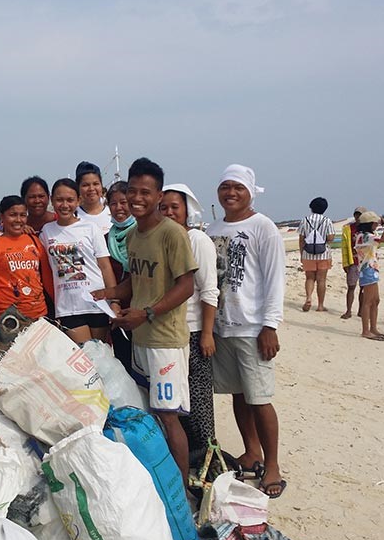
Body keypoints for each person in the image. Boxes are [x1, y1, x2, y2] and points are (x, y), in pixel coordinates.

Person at [94, 158, 197, 484]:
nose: (137, 198)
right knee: (148, 411)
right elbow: (137, 283)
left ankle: (179, 489)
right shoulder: (135, 236)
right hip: (140, 336)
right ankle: (160, 477)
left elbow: (186, 285)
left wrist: (147, 313)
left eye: (145, 192)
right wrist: (109, 293)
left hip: (165, 340)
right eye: (132, 191)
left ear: (158, 195)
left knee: (169, 417)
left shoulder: (172, 234)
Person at [206, 164, 286, 499]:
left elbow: (275, 278)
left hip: (253, 326)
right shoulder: (214, 227)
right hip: (224, 325)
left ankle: (273, 465)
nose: (230, 193)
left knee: (260, 398)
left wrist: (270, 325)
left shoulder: (263, 227)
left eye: (237, 187)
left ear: (250, 191)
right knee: (240, 394)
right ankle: (251, 452)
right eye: (225, 187)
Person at [160, 183, 219, 465]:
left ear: (186, 210)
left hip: (195, 332)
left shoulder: (197, 240)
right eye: (164, 207)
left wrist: (207, 333)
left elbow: (209, 290)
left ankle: (208, 463)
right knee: (177, 405)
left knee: (199, 405)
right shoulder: (161, 241)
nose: (170, 212)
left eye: (175, 207)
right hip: (168, 335)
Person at [40, 178, 119, 344]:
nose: (65, 205)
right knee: (85, 356)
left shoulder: (90, 228)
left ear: (78, 201)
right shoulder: (47, 232)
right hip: (68, 308)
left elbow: (104, 267)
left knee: (100, 357)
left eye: (70, 200)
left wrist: (114, 301)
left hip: (97, 303)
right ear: (52, 200)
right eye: (59, 200)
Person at [0, 196, 53, 330]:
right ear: (2, 217)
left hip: (40, 316)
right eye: (13, 215)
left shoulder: (34, 241)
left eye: (23, 215)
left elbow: (47, 279)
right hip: (9, 320)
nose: (18, 220)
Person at [105, 181, 136, 374]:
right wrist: (113, 303)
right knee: (124, 367)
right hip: (116, 313)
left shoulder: (143, 233)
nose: (119, 208)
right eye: (113, 204)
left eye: (123, 202)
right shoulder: (106, 238)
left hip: (142, 311)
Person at [355, 211, 384, 341]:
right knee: (368, 302)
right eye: (375, 223)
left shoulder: (363, 235)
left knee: (375, 301)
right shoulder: (365, 236)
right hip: (367, 270)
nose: (376, 225)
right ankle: (365, 330)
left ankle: (373, 328)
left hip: (371, 269)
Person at [297, 197, 335, 312]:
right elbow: (330, 237)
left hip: (308, 254)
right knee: (321, 280)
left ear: (311, 207)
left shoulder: (305, 220)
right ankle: (320, 305)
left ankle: (308, 298)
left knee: (309, 278)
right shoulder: (327, 221)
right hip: (323, 254)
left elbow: (301, 239)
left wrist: (301, 253)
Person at [340, 207, 366, 319]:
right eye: (356, 214)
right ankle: (349, 310)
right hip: (353, 261)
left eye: (360, 215)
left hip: (365, 262)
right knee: (351, 286)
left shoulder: (367, 229)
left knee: (363, 288)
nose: (358, 217)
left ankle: (361, 310)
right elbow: (344, 247)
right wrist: (345, 263)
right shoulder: (349, 228)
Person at [74, 161, 112, 234]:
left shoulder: (113, 213)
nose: (91, 189)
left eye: (95, 184)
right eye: (85, 185)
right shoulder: (73, 216)